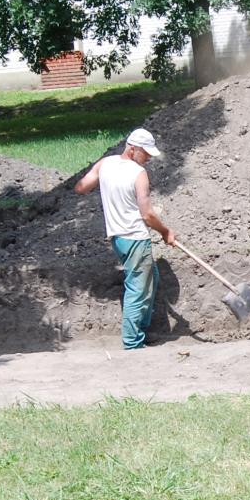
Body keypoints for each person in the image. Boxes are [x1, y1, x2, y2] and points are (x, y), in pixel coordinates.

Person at [75, 128, 176, 351]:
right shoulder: (138, 174)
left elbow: (81, 187)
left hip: (118, 238)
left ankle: (141, 328)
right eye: (145, 153)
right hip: (135, 238)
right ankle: (132, 344)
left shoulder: (105, 164)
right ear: (132, 149)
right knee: (138, 290)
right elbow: (147, 214)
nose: (148, 158)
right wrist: (166, 232)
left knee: (152, 278)